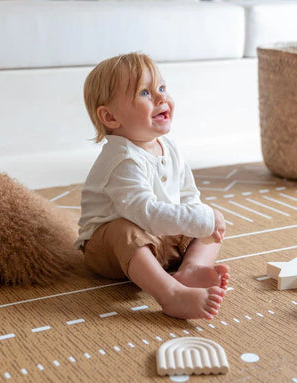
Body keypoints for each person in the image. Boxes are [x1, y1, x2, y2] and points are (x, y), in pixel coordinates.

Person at [75, 52, 230, 320]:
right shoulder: (122, 159)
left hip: (158, 233)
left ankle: (191, 268)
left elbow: (187, 195)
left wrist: (203, 219)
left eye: (161, 88)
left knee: (209, 220)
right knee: (124, 230)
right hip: (111, 249)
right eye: (145, 93)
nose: (161, 98)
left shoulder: (168, 147)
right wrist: (197, 220)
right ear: (110, 117)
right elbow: (145, 213)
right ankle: (170, 294)